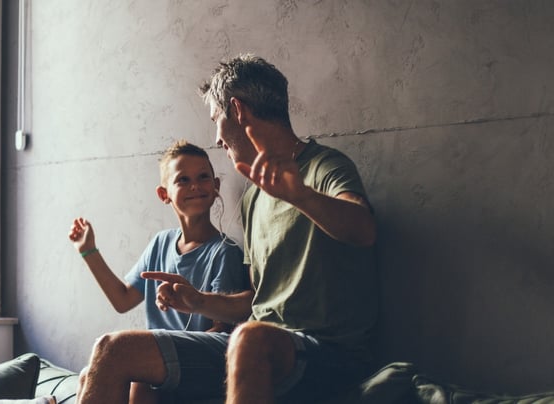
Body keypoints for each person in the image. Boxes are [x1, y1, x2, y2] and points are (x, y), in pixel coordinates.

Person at [76, 54, 379, 404]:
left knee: (249, 338)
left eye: (215, 118)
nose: (217, 138)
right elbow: (254, 300)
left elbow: (364, 229)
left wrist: (301, 196)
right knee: (112, 349)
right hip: (255, 345)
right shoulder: (252, 198)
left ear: (238, 111)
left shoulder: (325, 166)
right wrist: (199, 301)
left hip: (325, 353)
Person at [68, 139, 248, 404]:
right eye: (183, 180)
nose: (195, 186)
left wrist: (158, 352)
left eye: (203, 177)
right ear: (164, 195)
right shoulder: (161, 243)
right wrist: (88, 251)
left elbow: (222, 329)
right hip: (160, 360)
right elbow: (122, 299)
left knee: (141, 381)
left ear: (216, 186)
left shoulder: (224, 252)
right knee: (87, 375)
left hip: (199, 364)